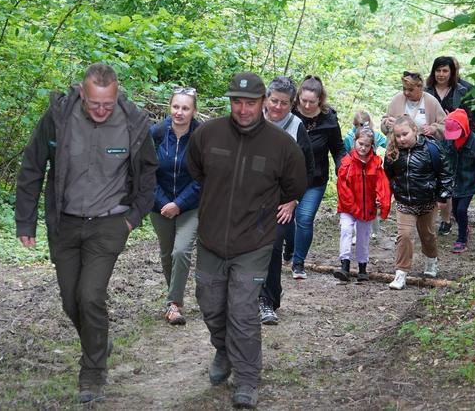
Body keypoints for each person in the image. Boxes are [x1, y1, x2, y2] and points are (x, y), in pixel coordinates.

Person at [15, 63, 157, 403]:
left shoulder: (133, 123)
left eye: (107, 104)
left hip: (109, 223)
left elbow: (148, 174)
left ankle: (92, 373)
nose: (101, 110)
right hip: (65, 223)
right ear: (82, 91)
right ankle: (98, 341)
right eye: (95, 104)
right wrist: (26, 221)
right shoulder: (59, 117)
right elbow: (33, 166)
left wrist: (132, 218)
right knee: (70, 299)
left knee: (90, 295)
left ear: (116, 93)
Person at [186, 72, 306, 408]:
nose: (243, 109)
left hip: (254, 241)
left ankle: (248, 379)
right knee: (210, 305)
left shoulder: (282, 146)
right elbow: (196, 169)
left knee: (243, 311)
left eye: (250, 102)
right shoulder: (208, 134)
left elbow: (295, 183)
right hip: (210, 238)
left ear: (263, 103)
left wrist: (279, 205)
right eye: (236, 101)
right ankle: (223, 350)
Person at [259, 76, 315, 326]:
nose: (277, 107)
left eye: (283, 103)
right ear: (265, 99)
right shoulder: (250, 120)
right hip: (250, 198)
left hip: (281, 201)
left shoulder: (296, 127)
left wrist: (293, 200)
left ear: (291, 104)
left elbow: (308, 169)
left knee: (271, 247)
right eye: (274, 101)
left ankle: (267, 302)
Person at [149, 87, 201, 326]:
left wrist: (179, 204)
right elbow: (145, 174)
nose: (179, 112)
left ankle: (174, 304)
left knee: (181, 251)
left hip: (190, 205)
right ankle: (173, 300)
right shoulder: (156, 134)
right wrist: (164, 203)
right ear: (169, 107)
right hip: (159, 204)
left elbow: (205, 176)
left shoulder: (202, 136)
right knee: (167, 253)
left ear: (194, 111)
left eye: (185, 108)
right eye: (176, 107)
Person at [384, 115, 453, 290]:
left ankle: (431, 261)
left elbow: (445, 171)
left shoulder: (431, 148)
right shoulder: (393, 151)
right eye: (398, 136)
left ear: (415, 130)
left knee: (427, 235)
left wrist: (443, 193)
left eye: (405, 134)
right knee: (404, 236)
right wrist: (394, 189)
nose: (401, 139)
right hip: (404, 202)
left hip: (427, 201)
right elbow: (388, 173)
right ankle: (401, 273)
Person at [290, 75, 346, 279]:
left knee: (304, 219)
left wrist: (343, 168)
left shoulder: (329, 119)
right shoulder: (289, 114)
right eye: (303, 100)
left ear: (320, 100)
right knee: (287, 221)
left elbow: (338, 149)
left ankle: (298, 263)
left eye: (311, 102)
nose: (306, 105)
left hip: (315, 179)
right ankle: (289, 250)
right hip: (288, 178)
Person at [424, 56, 475, 235]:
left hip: (455, 143)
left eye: (445, 70)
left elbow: (474, 116)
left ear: (452, 72)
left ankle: (449, 218)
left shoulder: (463, 91)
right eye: (438, 70)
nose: (441, 74)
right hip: (429, 141)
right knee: (430, 181)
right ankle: (431, 218)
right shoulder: (425, 91)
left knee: (450, 180)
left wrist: (463, 134)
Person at [335, 126, 391, 282]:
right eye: (360, 144)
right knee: (346, 230)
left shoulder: (376, 164)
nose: (363, 148)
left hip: (367, 209)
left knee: (363, 237)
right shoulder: (346, 163)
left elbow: (382, 185)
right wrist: (353, 207)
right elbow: (343, 188)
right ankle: (344, 265)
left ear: (372, 146)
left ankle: (362, 267)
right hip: (349, 208)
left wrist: (381, 199)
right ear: (354, 142)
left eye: (367, 145)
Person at [443, 109, 475, 254]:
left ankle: (462, 238)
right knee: (455, 212)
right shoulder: (448, 141)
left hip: (469, 182)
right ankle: (465, 227)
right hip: (453, 183)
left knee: (462, 210)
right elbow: (443, 159)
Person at [343, 110, 387, 239]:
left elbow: (387, 143)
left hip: (371, 174)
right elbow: (346, 153)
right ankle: (358, 233)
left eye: (366, 125)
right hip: (354, 174)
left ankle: (375, 230)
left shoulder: (375, 136)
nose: (363, 129)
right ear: (355, 125)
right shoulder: (349, 137)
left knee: (371, 202)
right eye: (360, 126)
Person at [381, 71, 447, 139]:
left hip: (424, 146)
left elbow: (445, 126)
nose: (406, 93)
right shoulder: (397, 99)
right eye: (404, 89)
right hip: (398, 145)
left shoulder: (431, 101)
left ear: (420, 88)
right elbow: (384, 122)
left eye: (410, 90)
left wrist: (433, 129)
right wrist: (387, 123)